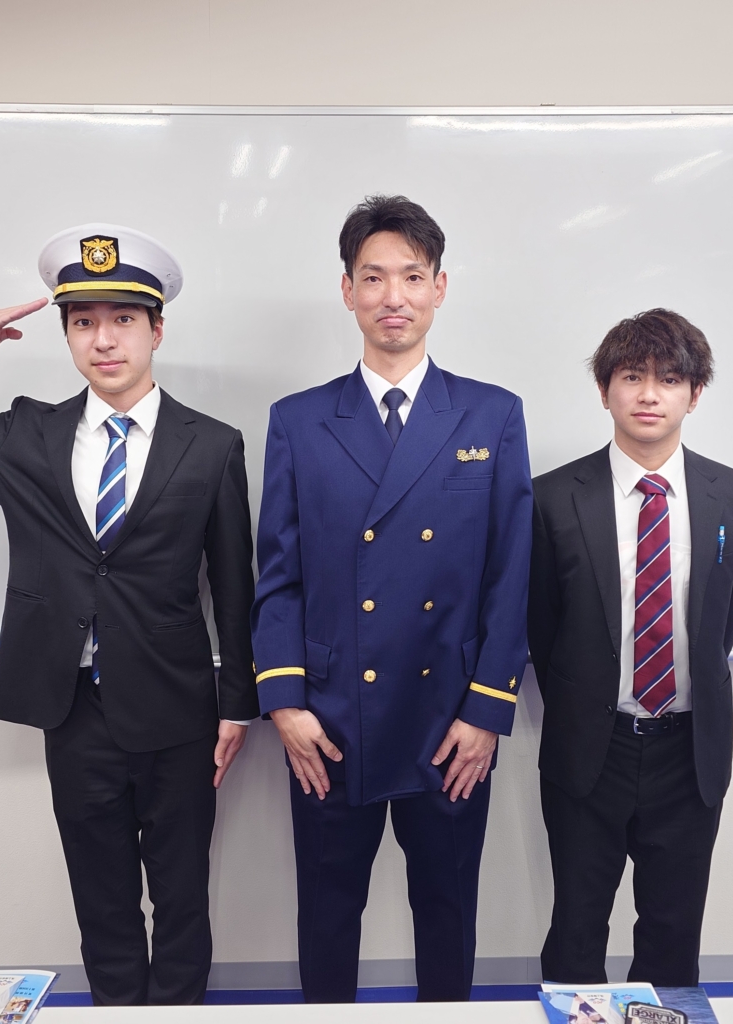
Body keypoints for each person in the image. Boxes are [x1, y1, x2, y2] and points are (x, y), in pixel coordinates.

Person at [0, 224, 258, 1005]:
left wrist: (236, 704)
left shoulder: (212, 445)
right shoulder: (23, 436)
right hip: (73, 709)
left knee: (182, 896)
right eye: (83, 322)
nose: (103, 340)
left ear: (156, 329)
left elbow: (233, 583)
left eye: (122, 320)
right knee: (101, 898)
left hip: (180, 709)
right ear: (67, 334)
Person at [250, 195, 532, 1002]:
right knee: (327, 914)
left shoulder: (490, 414)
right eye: (373, 277)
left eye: (412, 276)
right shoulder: (300, 420)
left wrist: (486, 711)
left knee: (447, 911)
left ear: (440, 287)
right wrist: (286, 705)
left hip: (449, 720)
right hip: (330, 721)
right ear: (347, 291)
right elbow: (278, 576)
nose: (393, 296)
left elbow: (510, 574)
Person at [528, 309, 733, 986]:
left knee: (672, 933)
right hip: (589, 749)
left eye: (670, 379)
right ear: (605, 391)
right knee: (576, 929)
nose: (650, 394)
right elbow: (542, 626)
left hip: (689, 752)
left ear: (696, 393)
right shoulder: (551, 498)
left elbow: (725, 616)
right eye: (632, 377)